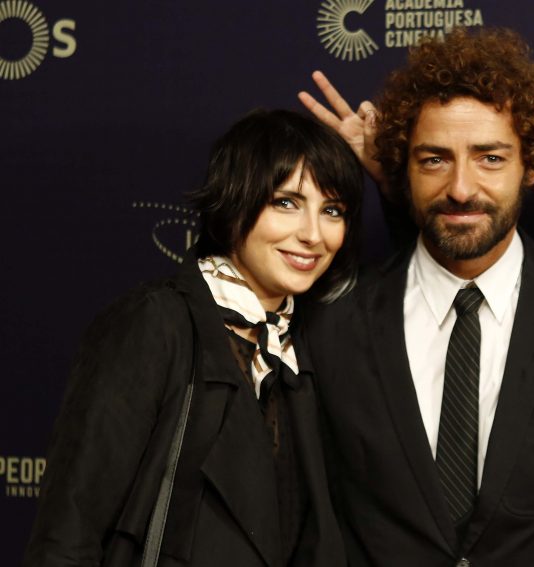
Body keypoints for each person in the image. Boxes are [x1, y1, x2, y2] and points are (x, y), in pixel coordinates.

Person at [298, 27, 534, 565]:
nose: (461, 188)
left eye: (490, 158)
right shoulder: (333, 316)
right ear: (403, 169)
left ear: (529, 165)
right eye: (434, 160)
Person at [23, 109, 362, 567]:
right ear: (235, 199)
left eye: (332, 211)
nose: (313, 235)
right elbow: (69, 531)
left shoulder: (308, 345)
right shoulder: (156, 322)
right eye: (286, 203)